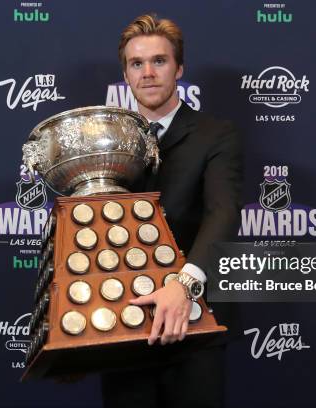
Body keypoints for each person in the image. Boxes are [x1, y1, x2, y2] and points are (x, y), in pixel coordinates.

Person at [100, 14, 243, 408]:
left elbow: (224, 212)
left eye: (159, 61)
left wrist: (183, 284)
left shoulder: (217, 135)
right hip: (122, 322)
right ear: (125, 75)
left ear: (179, 68)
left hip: (194, 320)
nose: (148, 73)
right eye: (136, 64)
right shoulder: (105, 142)